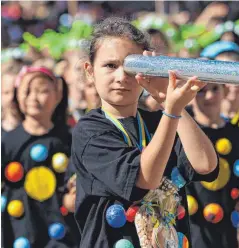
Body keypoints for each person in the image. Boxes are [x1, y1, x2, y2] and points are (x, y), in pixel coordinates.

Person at [72, 17, 218, 247]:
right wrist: (171, 111)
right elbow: (146, 178)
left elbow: (205, 164)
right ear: (90, 71)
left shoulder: (162, 121)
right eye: (110, 65)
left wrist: (164, 100)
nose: (121, 77)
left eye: (132, 67)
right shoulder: (90, 130)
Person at [2, 66, 76, 248]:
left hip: (63, 235)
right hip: (21, 231)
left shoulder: (70, 139)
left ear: (58, 95)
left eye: (42, 91)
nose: (33, 98)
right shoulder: (7, 141)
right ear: (17, 95)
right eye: (27, 91)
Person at [185, 83, 239, 248]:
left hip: (227, 232)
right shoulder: (183, 133)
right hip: (191, 229)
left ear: (225, 91)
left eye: (215, 89)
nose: (209, 96)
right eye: (201, 91)